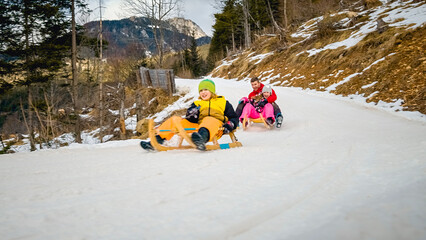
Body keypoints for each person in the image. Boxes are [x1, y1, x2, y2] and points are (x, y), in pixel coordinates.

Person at [140, 79, 239, 151]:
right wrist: (192, 115)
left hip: (215, 128)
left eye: (206, 90)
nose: (203, 92)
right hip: (198, 126)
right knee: (175, 119)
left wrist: (230, 125)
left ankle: (201, 138)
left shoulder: (223, 102)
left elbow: (234, 117)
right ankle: (156, 141)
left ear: (212, 91)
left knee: (209, 119)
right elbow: (190, 118)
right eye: (201, 91)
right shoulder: (197, 103)